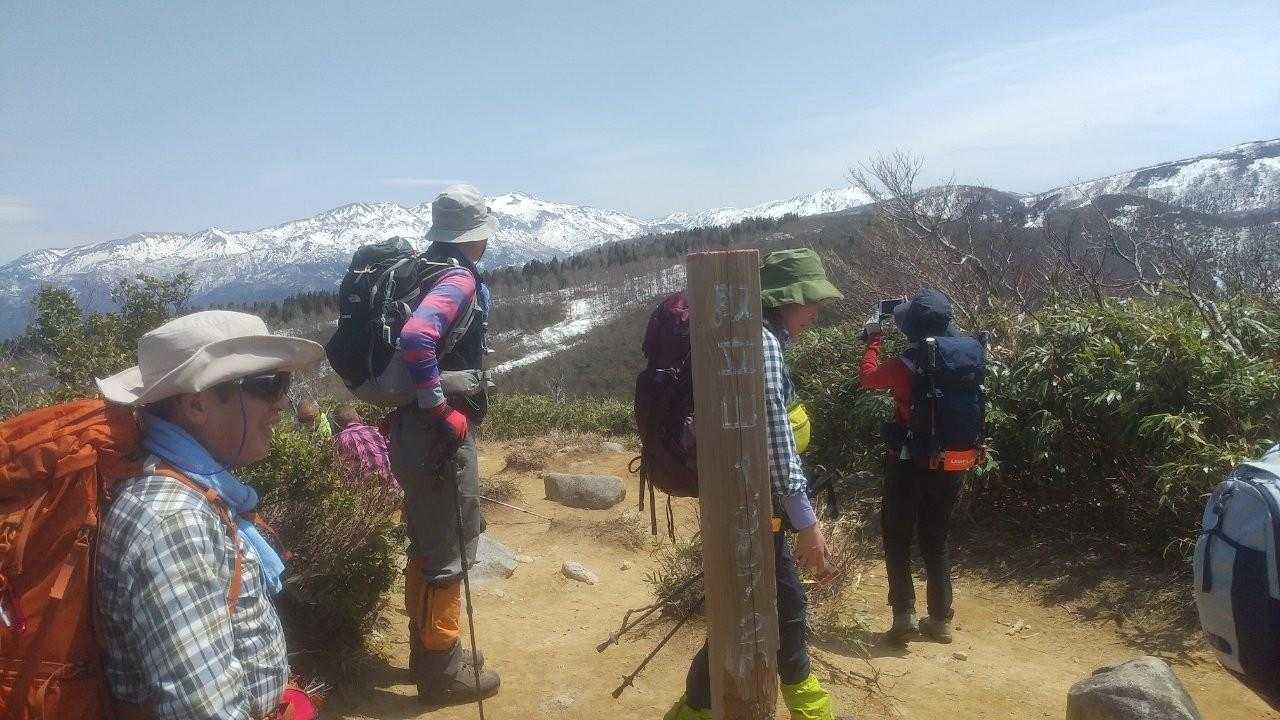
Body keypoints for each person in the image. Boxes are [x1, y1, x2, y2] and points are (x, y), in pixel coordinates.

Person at [93, 310, 323, 719]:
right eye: (268, 385)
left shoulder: (196, 493)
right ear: (197, 405)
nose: (282, 403)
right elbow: (203, 711)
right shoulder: (175, 521)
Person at [665, 248, 842, 720]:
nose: (815, 313)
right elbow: (776, 442)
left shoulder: (745, 336)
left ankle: (690, 715)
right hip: (757, 508)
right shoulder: (761, 344)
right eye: (810, 302)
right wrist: (806, 521)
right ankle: (813, 714)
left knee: (742, 619)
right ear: (786, 299)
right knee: (782, 614)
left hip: (742, 503)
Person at [388, 183, 499, 705]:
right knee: (449, 546)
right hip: (436, 435)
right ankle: (443, 671)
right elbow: (417, 337)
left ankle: (429, 651)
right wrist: (441, 407)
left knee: (427, 541)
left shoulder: (422, 268)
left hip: (411, 431)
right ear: (475, 235)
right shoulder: (457, 278)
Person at [860, 288, 966, 645]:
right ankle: (940, 620)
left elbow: (868, 377)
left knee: (897, 536)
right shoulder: (963, 357)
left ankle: (903, 616)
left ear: (910, 328)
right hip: (950, 461)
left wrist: (873, 341)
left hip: (907, 462)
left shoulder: (903, 365)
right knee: (936, 538)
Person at [332, 403, 399, 490]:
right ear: (359, 417)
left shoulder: (337, 441)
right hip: (393, 486)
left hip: (364, 493)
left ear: (338, 425)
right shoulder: (377, 431)